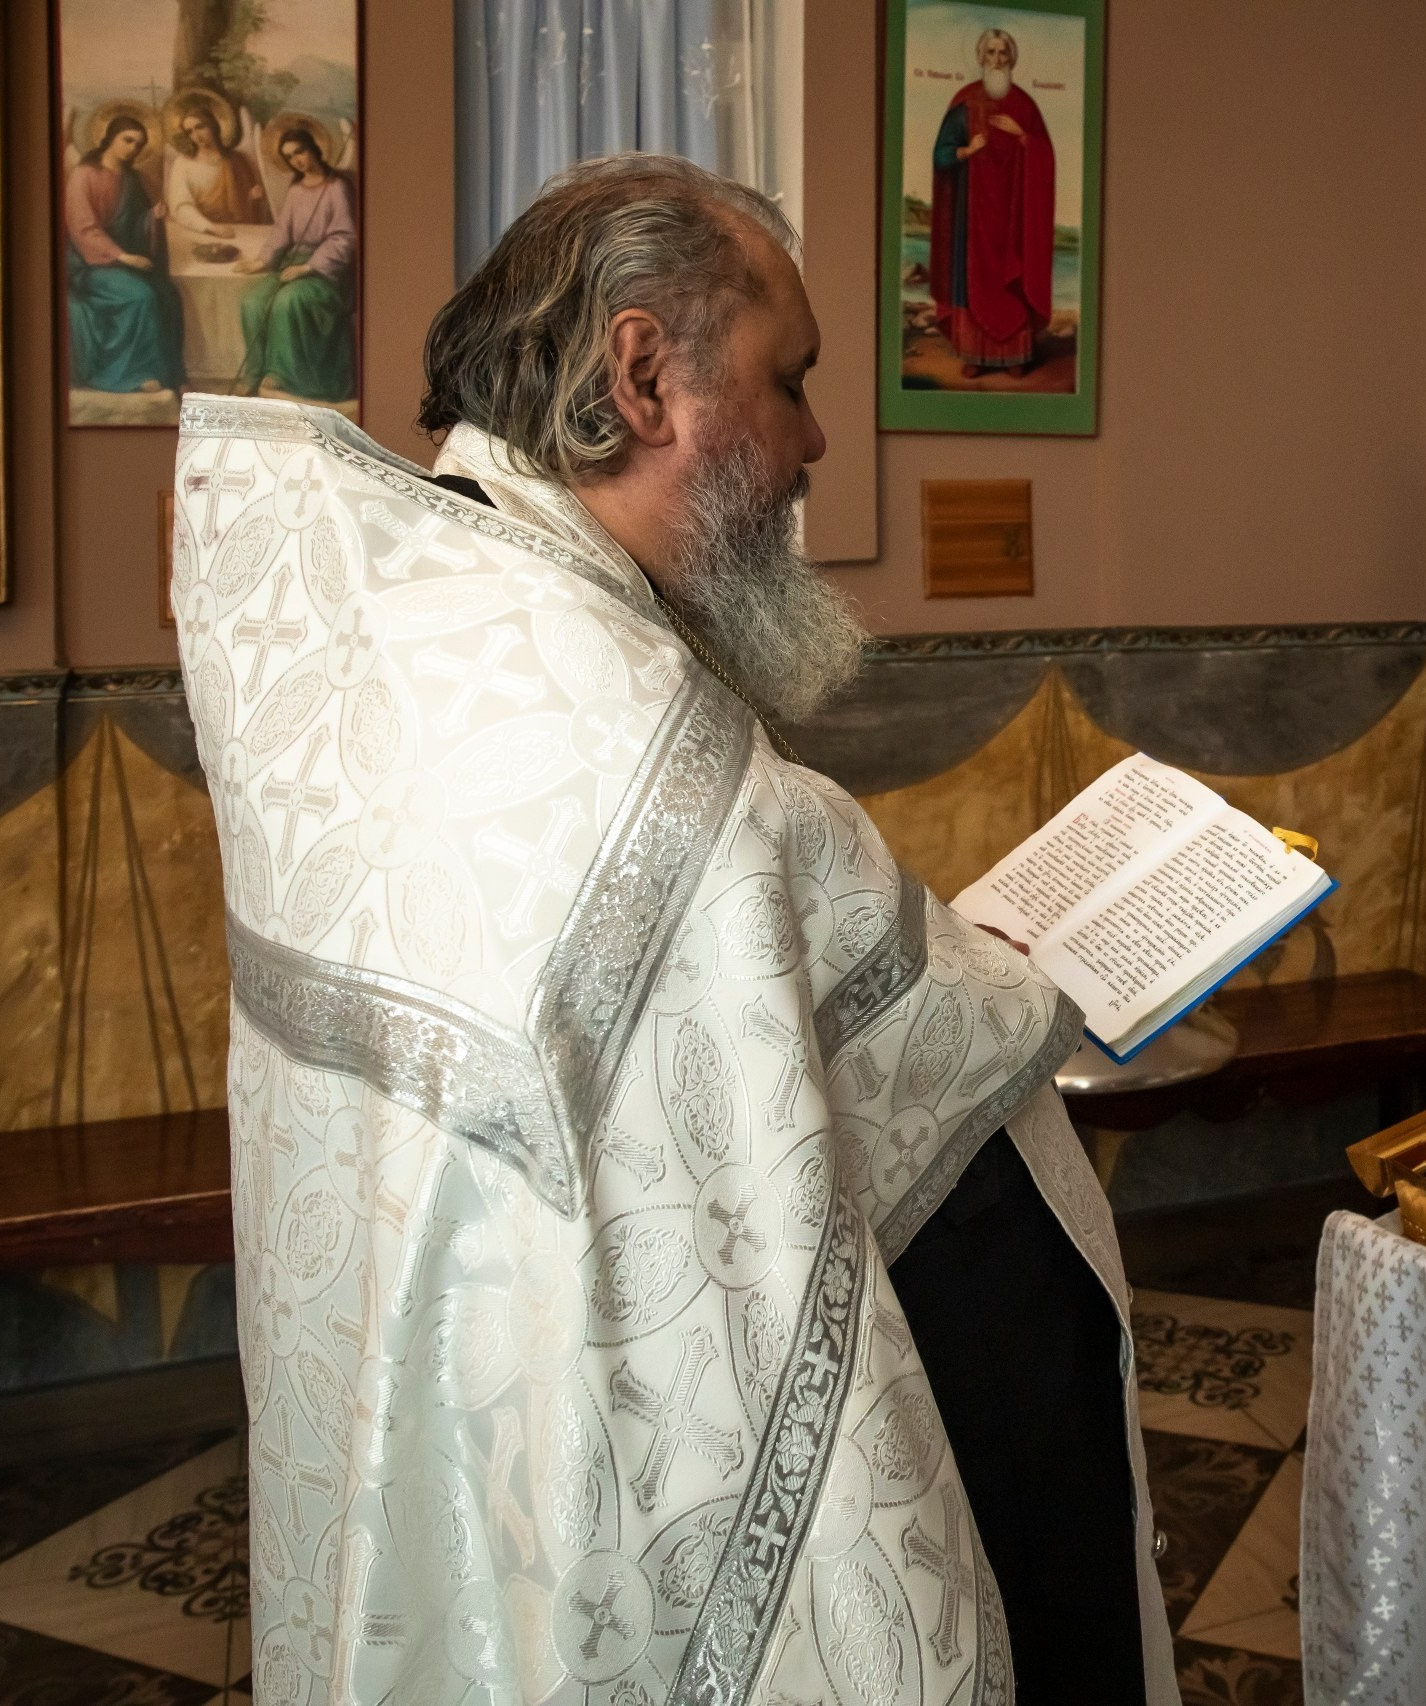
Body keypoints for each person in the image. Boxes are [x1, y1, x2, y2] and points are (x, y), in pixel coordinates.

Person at [174, 154, 1171, 1706]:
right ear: (645, 376)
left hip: (434, 1449)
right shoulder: (626, 739)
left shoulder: (421, 618)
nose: (818, 442)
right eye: (792, 382)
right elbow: (913, 1086)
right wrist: (1011, 986)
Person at [928, 28, 1057, 378]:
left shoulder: (1025, 107)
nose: (997, 60)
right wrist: (966, 151)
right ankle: (975, 354)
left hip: (1014, 219)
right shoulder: (965, 103)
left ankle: (1015, 355)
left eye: (1003, 54)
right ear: (981, 58)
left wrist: (1022, 137)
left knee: (1011, 279)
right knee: (972, 280)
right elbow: (940, 156)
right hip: (972, 217)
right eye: (991, 53)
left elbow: (1045, 157)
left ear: (1012, 59)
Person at [234, 124, 356, 401]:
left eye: (300, 152)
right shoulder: (296, 190)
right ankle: (253, 373)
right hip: (291, 265)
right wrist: (262, 260)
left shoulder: (336, 187)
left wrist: (308, 267)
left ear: (314, 148)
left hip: (326, 272)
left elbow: (344, 237)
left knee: (287, 301)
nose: (297, 160)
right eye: (290, 157)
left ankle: (282, 375)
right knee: (252, 302)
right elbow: (281, 232)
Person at [64, 114, 183, 396]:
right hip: (90, 265)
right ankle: (134, 373)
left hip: (126, 261)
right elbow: (84, 229)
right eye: (127, 140)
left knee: (168, 293)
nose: (133, 148)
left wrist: (152, 217)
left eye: (138, 144)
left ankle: (172, 374)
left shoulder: (133, 179)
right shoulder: (85, 175)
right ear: (109, 139)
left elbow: (136, 223)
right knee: (141, 295)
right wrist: (122, 257)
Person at [162, 101, 267, 236]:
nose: (196, 135)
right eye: (190, 131)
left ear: (213, 125)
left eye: (200, 127)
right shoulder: (183, 164)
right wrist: (210, 227)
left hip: (239, 231)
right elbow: (180, 207)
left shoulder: (237, 160)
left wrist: (252, 198)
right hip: (200, 232)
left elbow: (250, 206)